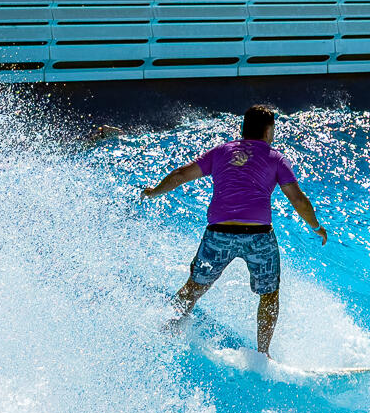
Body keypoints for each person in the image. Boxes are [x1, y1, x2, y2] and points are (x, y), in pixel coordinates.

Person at [140, 104, 327, 355]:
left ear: (244, 128)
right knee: (269, 295)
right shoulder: (275, 158)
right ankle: (263, 353)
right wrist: (315, 226)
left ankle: (166, 330)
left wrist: (155, 192)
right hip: (258, 238)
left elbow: (182, 174)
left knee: (194, 287)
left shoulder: (221, 152)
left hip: (219, 233)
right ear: (269, 130)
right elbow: (298, 200)